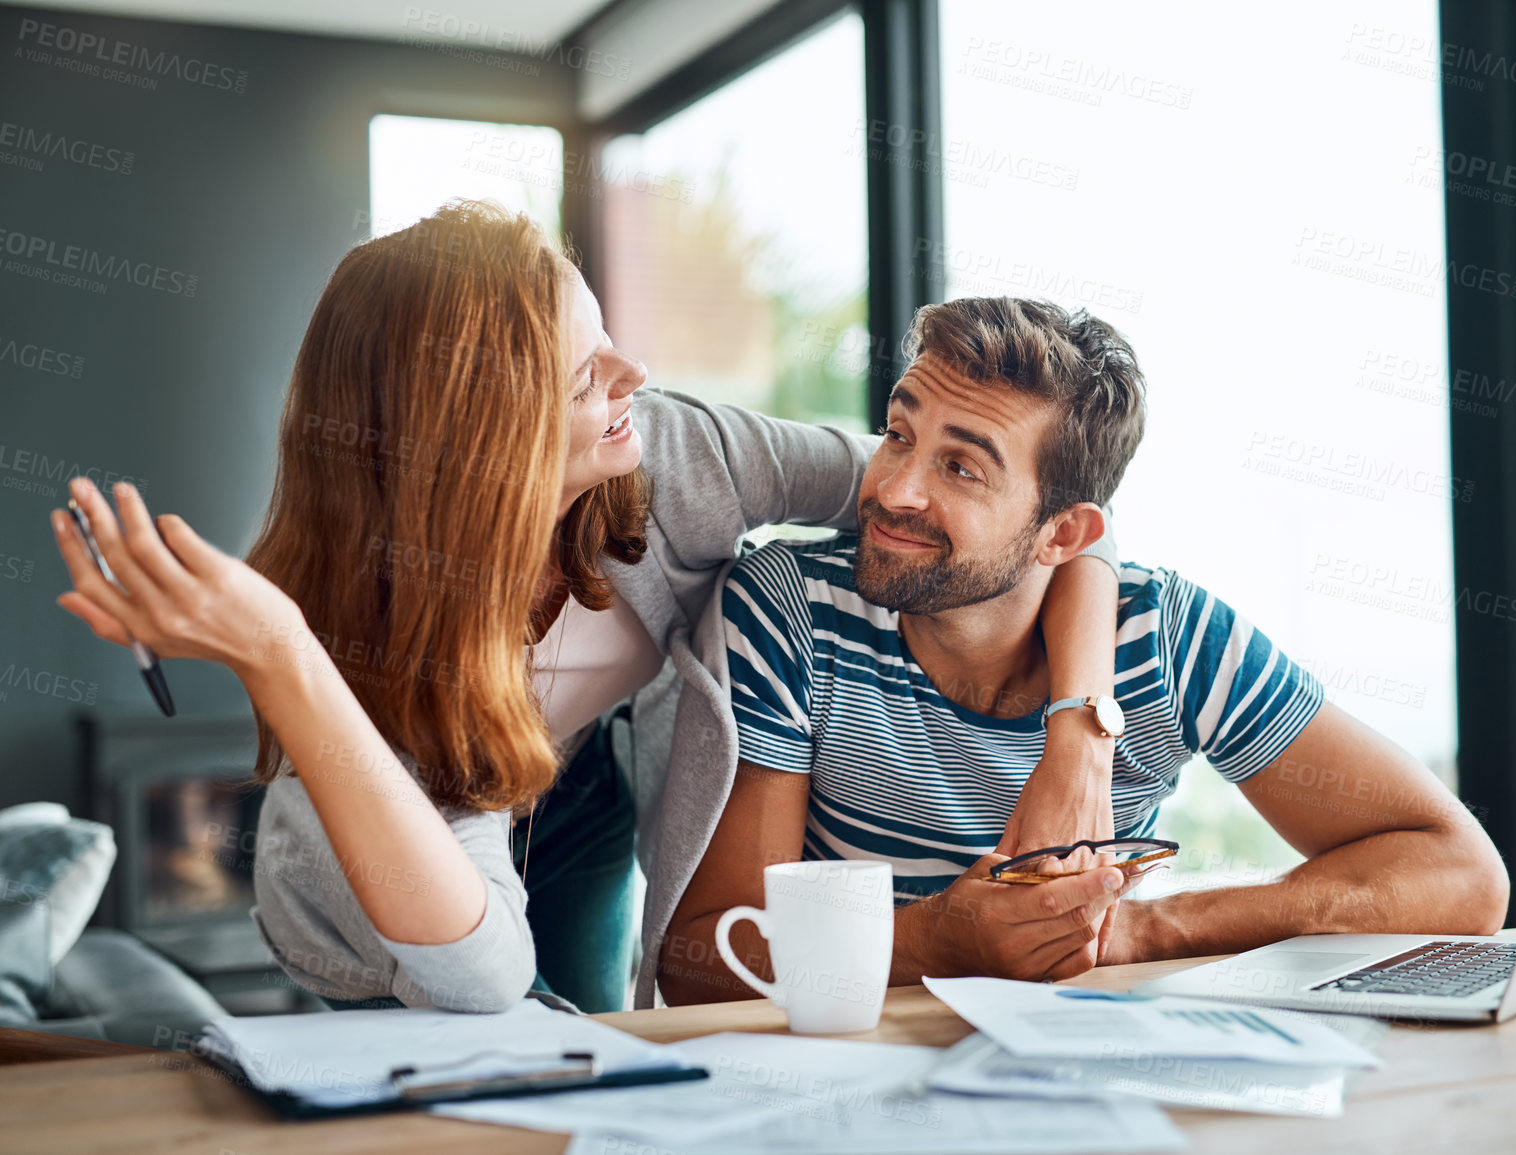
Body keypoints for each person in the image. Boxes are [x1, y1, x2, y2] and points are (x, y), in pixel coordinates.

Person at [49, 204, 1125, 1014]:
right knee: (461, 1064)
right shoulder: (375, 646)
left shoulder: (677, 454)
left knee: (590, 1043)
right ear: (486, 433)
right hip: (385, 865)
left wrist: (1076, 738)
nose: (634, 372)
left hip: (584, 783)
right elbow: (475, 976)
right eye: (585, 373)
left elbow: (1042, 525)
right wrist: (283, 654)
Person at [661, 296, 1510, 1003]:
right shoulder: (789, 611)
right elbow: (703, 960)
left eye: (961, 469)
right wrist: (936, 939)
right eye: (897, 432)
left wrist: (1144, 927)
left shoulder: (1163, 637)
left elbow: (1460, 873)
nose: (891, 489)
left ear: (1062, 532)